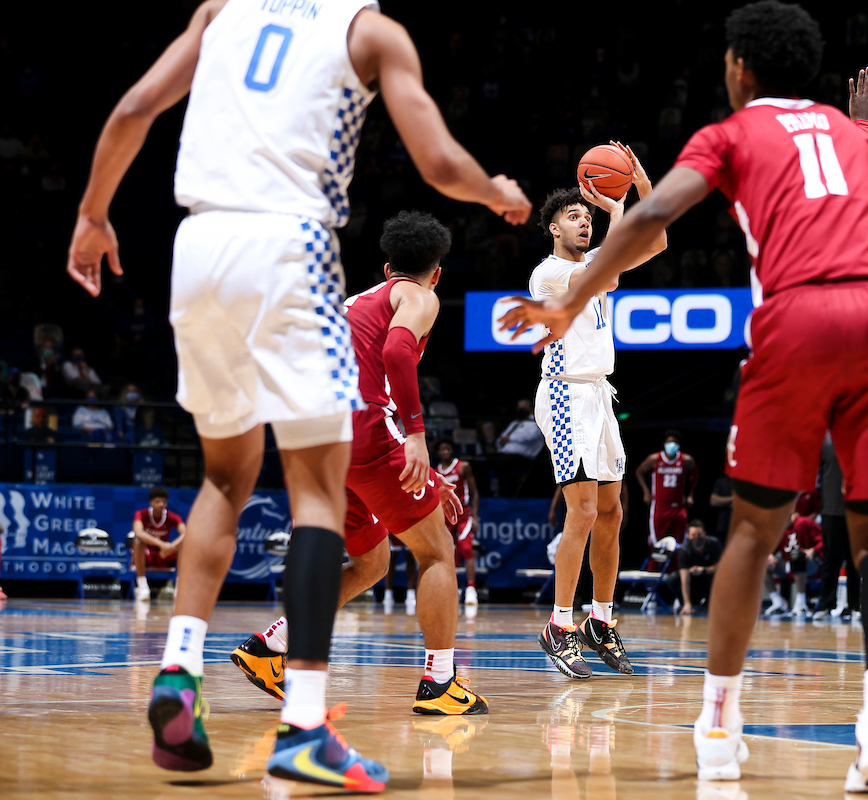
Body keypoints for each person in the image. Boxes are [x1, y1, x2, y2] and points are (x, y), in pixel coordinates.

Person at [66, 0, 530, 787]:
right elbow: (438, 163)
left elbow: (135, 108)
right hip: (287, 244)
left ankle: (180, 669)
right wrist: (495, 193)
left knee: (223, 476)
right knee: (316, 493)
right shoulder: (369, 30)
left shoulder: (219, 13)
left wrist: (91, 212)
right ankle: (305, 726)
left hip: (198, 245)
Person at [498, 2, 868, 790]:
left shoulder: (731, 132)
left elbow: (651, 216)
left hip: (797, 317)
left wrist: (571, 305)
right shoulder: (851, 136)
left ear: (740, 68)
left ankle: (717, 728)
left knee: (750, 533)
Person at [232, 212, 475, 723]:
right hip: (366, 432)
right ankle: (440, 682)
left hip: (317, 438)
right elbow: (396, 352)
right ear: (436, 273)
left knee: (372, 564)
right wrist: (415, 436)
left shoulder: (353, 302)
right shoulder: (419, 296)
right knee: (436, 553)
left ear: (387, 268)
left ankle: (270, 646)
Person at [525, 148, 666, 682]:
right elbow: (606, 268)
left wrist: (636, 184)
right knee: (581, 512)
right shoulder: (549, 274)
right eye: (574, 217)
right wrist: (614, 213)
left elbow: (657, 239)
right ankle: (559, 625)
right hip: (564, 395)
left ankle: (599, 619)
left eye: (587, 217)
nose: (584, 223)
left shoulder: (592, 261)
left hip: (599, 395)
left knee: (612, 512)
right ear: (553, 227)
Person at [812, 436, 859, 621]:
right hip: (831, 507)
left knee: (855, 561)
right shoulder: (825, 441)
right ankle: (825, 604)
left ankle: (856, 605)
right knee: (831, 559)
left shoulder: (858, 438)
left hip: (855, 509)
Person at [435, 439, 481, 605]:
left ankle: (471, 589)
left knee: (467, 548)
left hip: (462, 513)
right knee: (447, 553)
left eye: (448, 448)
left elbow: (474, 493)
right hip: (445, 517)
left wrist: (475, 517)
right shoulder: (435, 471)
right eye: (442, 448)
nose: (445, 451)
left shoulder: (463, 466)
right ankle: (450, 589)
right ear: (438, 452)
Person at [635, 430, 699, 546]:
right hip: (660, 507)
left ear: (679, 445)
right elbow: (639, 471)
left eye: (675, 442)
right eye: (669, 442)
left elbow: (696, 475)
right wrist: (646, 491)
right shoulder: (655, 459)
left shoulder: (685, 460)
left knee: (680, 543)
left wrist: (690, 495)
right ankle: (656, 564)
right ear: (664, 444)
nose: (672, 445)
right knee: (657, 543)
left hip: (679, 507)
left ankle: (678, 564)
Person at [765, 506, 821, 617]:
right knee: (762, 561)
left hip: (809, 564)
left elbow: (823, 540)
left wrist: (813, 550)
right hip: (788, 565)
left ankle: (801, 602)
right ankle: (777, 601)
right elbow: (771, 547)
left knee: (796, 555)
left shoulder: (805, 522)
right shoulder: (779, 528)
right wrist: (769, 554)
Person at [132, 486, 187, 601]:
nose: (161, 504)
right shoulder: (141, 514)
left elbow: (186, 533)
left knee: (184, 546)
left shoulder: (173, 517)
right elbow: (138, 532)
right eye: (157, 501)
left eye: (164, 502)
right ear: (151, 502)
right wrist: (161, 544)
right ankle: (143, 587)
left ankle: (179, 588)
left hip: (164, 554)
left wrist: (171, 547)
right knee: (138, 543)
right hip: (147, 554)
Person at [665, 520, 723, 616]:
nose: (696, 538)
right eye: (693, 535)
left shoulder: (714, 544)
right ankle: (685, 602)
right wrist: (687, 603)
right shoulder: (684, 550)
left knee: (721, 577)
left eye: (699, 535)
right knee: (673, 579)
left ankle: (710, 603)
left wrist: (703, 570)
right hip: (692, 582)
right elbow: (684, 579)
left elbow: (721, 567)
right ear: (688, 536)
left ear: (704, 534)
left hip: (708, 579)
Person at [709, 475, 734, 540]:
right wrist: (733, 499)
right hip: (723, 527)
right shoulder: (721, 481)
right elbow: (713, 501)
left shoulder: (744, 483)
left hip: (739, 527)